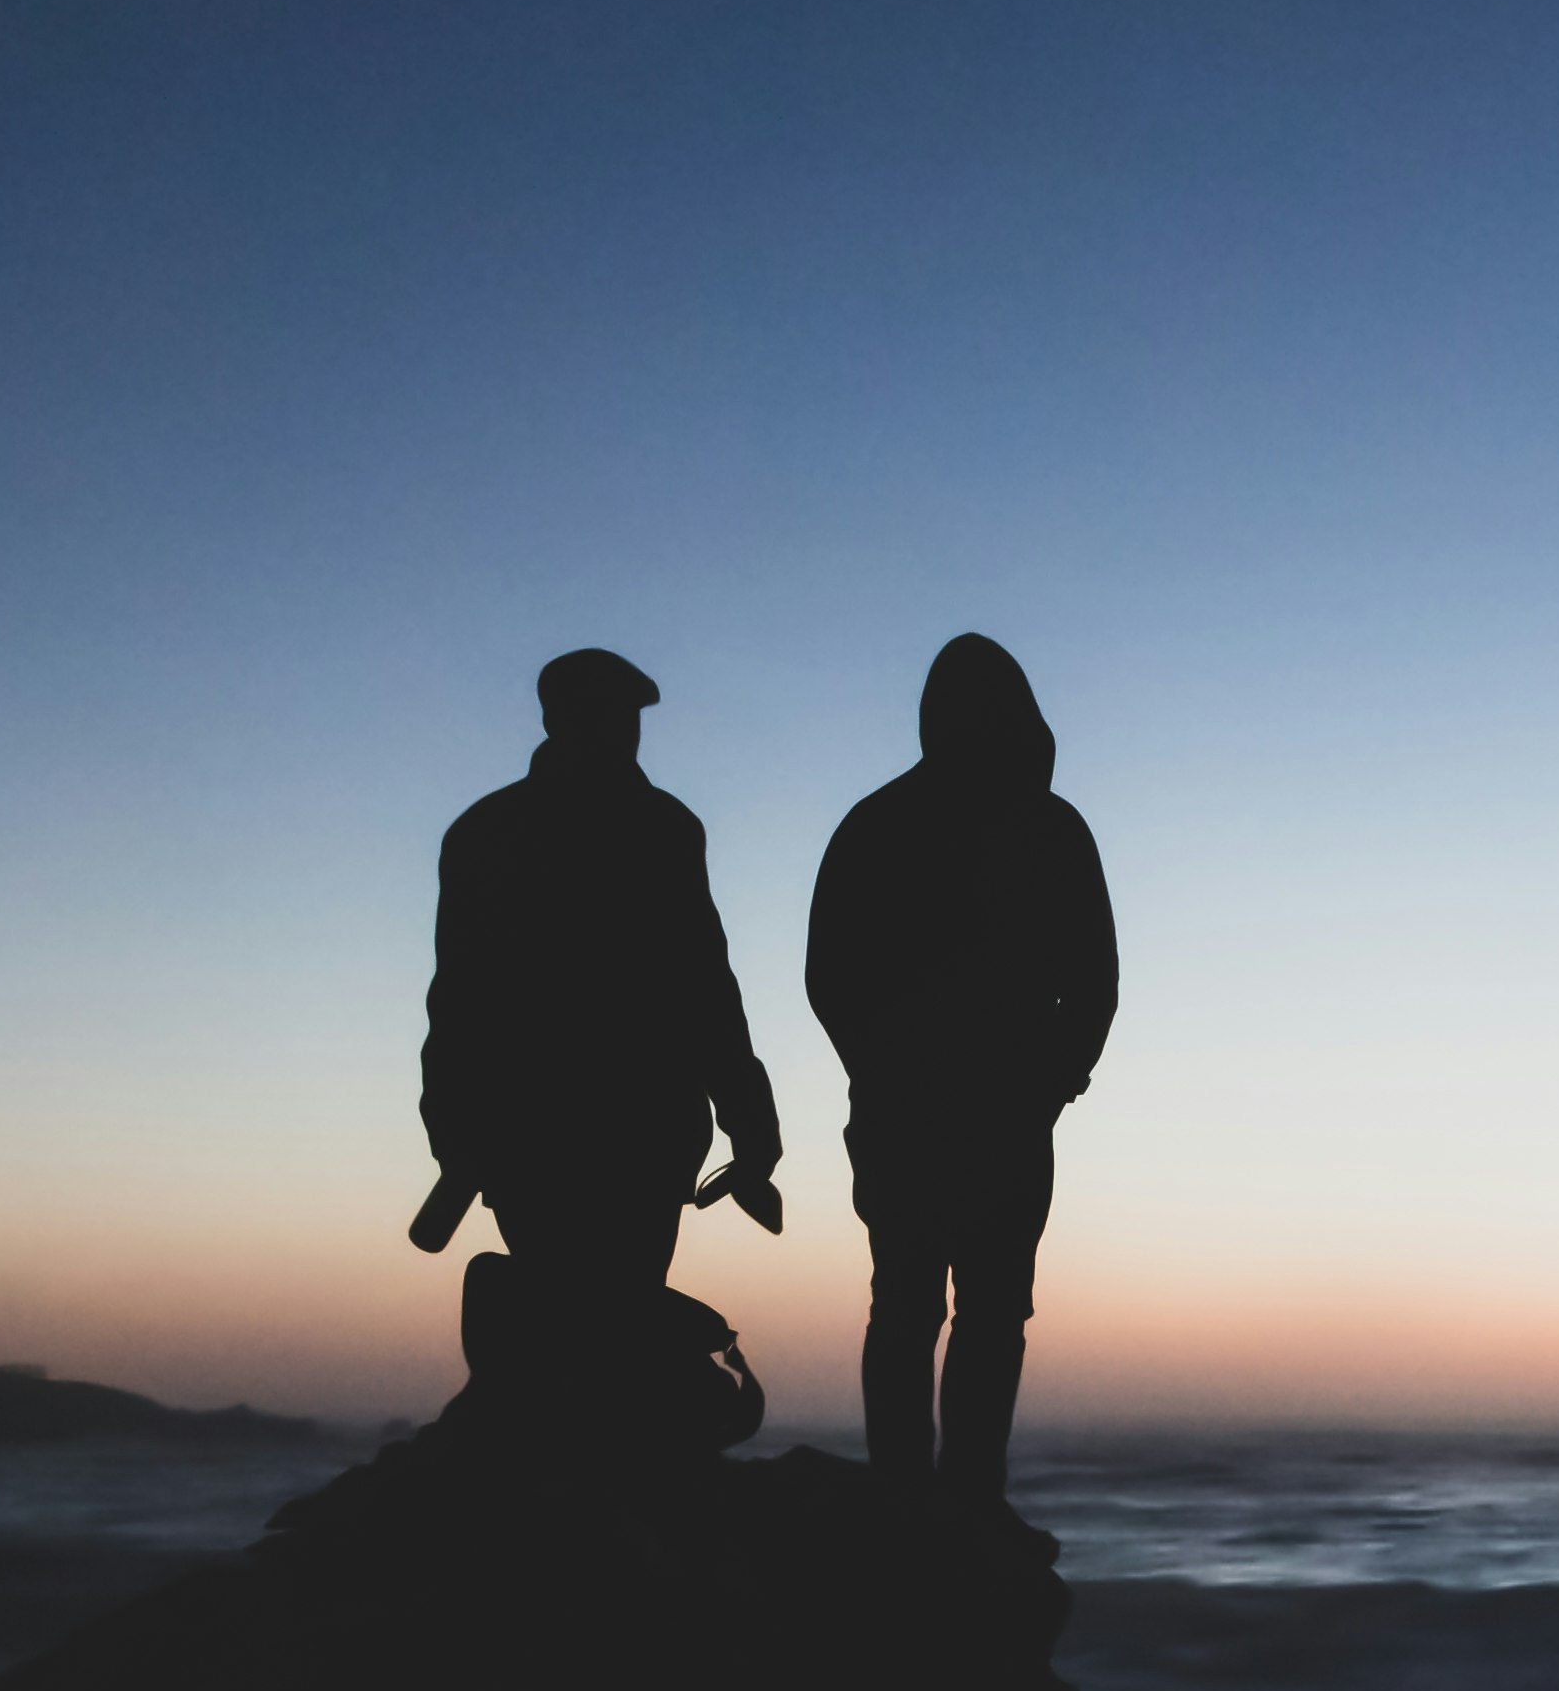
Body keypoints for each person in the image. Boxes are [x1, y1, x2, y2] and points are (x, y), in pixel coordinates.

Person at [805, 631, 1115, 1513]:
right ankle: (964, 1502)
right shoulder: (1050, 830)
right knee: (981, 1313)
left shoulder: (875, 824)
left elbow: (828, 977)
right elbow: (1096, 985)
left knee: (912, 1308)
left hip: (933, 1117)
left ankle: (915, 1499)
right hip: (987, 1120)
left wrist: (880, 1070)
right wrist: (1051, 1079)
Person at [417, 648, 781, 1316]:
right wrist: (749, 1118)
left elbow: (457, 1006)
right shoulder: (661, 829)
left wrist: (455, 1135)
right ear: (560, 718)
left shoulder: (485, 831)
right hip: (626, 1132)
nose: (623, 729)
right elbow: (705, 990)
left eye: (627, 715)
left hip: (541, 1136)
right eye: (611, 714)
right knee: (616, 1336)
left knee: (568, 1338)